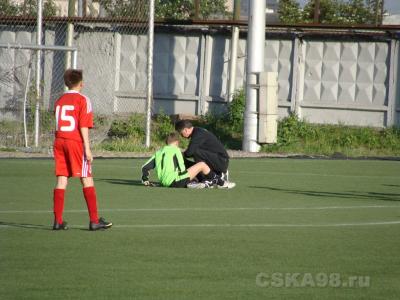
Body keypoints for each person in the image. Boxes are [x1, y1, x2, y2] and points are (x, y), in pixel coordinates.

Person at [52, 69, 112, 231]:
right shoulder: (83, 99)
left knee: (62, 179)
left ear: (66, 83)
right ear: (81, 83)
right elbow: (83, 125)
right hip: (75, 142)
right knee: (86, 177)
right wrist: (87, 148)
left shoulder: (60, 100)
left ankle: (58, 221)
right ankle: (94, 221)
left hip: (59, 141)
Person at [141, 132, 231, 188]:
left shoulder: (158, 152)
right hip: (177, 182)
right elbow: (182, 168)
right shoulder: (176, 151)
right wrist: (192, 177)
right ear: (177, 142)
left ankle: (196, 182)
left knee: (195, 171)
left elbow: (144, 168)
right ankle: (221, 182)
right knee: (202, 165)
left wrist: (146, 181)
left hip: (164, 183)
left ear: (166, 142)